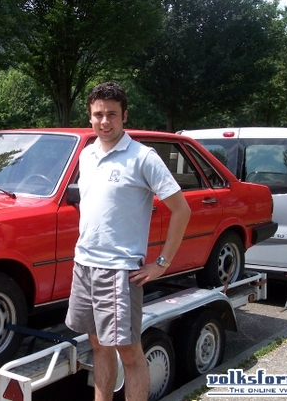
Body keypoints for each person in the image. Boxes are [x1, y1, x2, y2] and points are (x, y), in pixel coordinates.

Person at [65, 82, 191, 401]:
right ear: (90, 116)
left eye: (112, 114)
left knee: (130, 353)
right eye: (98, 114)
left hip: (118, 272)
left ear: (124, 116)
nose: (104, 121)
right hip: (84, 266)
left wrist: (161, 264)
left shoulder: (142, 157)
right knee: (98, 346)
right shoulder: (87, 156)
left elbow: (181, 210)